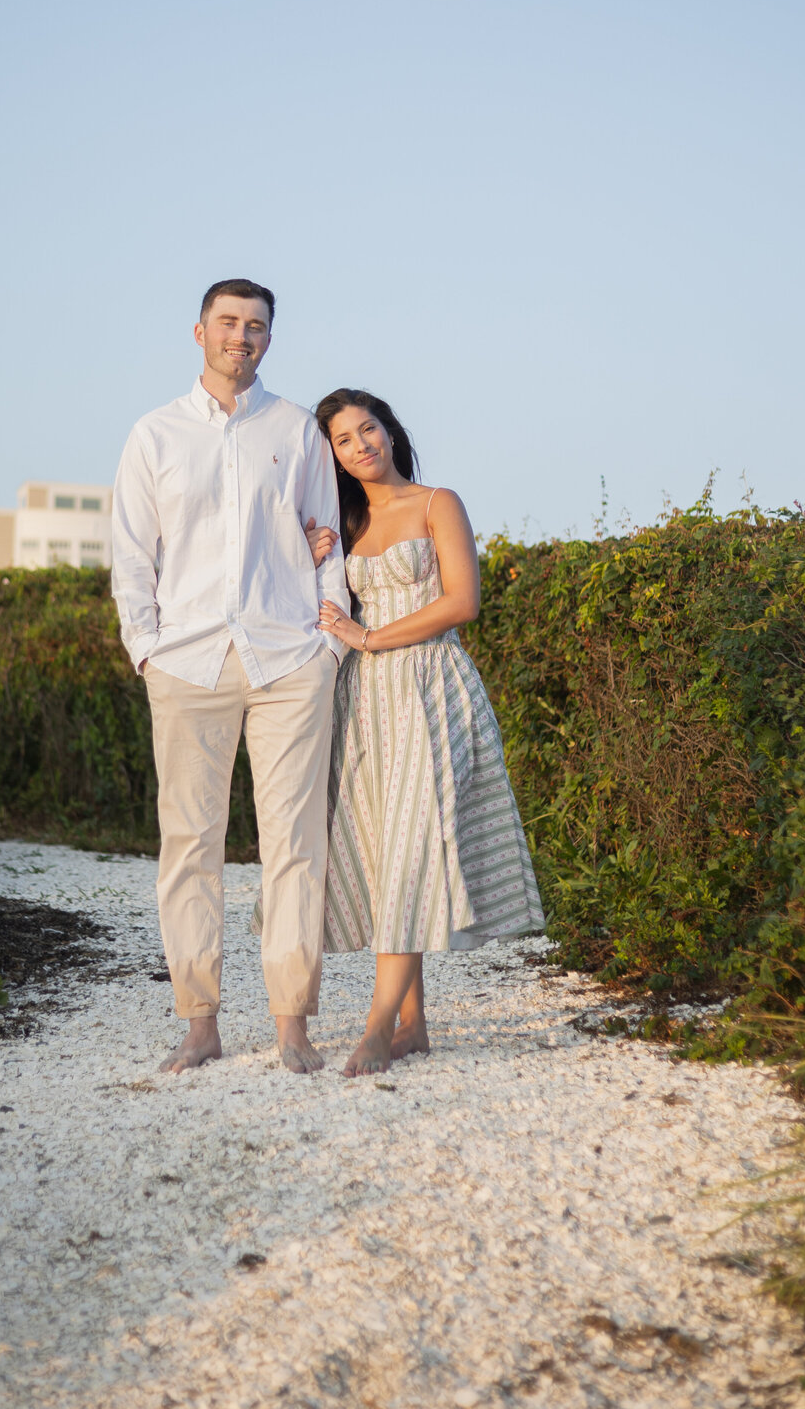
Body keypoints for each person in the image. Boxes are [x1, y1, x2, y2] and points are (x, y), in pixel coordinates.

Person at [111, 280, 349, 1075]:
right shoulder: (154, 434)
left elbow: (329, 540)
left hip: (289, 660)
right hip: (187, 662)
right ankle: (200, 1020)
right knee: (189, 844)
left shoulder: (297, 430)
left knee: (295, 843)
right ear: (199, 331)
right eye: (228, 323)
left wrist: (329, 645)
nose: (240, 337)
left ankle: (292, 1022)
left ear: (269, 340)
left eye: (255, 327)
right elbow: (129, 554)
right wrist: (146, 647)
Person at [308, 388, 546, 1077]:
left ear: (390, 430)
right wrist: (313, 549)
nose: (362, 445)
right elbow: (310, 603)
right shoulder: (344, 523)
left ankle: (378, 1028)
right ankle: (415, 1025)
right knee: (386, 850)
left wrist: (371, 636)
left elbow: (461, 602)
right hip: (365, 699)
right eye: (345, 440)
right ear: (335, 457)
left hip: (431, 688)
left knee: (414, 845)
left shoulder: (439, 502)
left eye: (369, 429)